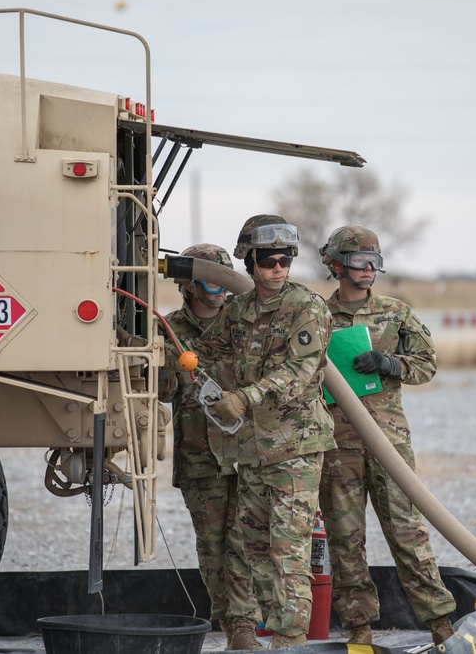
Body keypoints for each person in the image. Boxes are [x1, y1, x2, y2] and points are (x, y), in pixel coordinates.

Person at [194, 215, 336, 649]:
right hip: (253, 449)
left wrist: (245, 397)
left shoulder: (307, 307)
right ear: (250, 262)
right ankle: (268, 631)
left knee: (288, 549)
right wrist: (167, 343)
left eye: (286, 259)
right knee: (255, 547)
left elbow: (299, 371)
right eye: (269, 260)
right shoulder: (238, 310)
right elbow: (209, 347)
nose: (279, 267)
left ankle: (290, 641)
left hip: (294, 447)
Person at [316, 225, 457, 646]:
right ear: (338, 265)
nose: (369, 269)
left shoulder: (396, 312)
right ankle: (359, 629)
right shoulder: (316, 315)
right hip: (338, 444)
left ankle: (440, 625)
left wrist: (389, 364)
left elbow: (426, 365)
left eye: (375, 261)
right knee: (345, 539)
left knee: (407, 533)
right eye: (360, 261)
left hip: (389, 442)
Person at [159, 244, 262, 651]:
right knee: (213, 545)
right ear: (187, 285)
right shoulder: (166, 330)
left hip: (248, 452)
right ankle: (229, 619)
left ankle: (244, 627)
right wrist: (161, 359)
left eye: (223, 281)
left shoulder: (245, 325)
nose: (218, 290)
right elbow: (165, 392)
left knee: (246, 541)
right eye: (207, 281)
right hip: (200, 458)